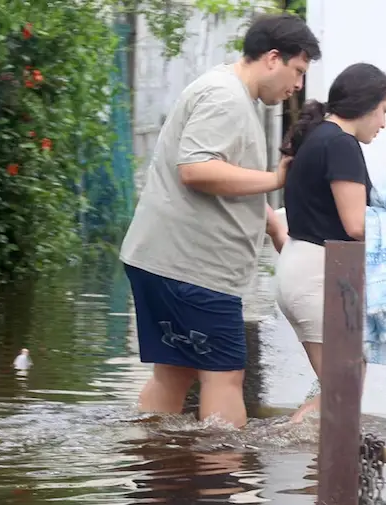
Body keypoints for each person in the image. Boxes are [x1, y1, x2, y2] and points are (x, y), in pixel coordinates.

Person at [119, 13, 320, 428]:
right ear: (272, 58)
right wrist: (277, 178)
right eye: (297, 71)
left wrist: (268, 220)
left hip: (162, 259)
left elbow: (220, 173)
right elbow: (196, 169)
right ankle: (218, 478)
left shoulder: (223, 89)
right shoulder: (226, 97)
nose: (297, 85)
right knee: (225, 377)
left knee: (174, 373)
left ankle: (158, 473)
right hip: (194, 268)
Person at [275, 62, 386, 423]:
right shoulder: (341, 144)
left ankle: (307, 459)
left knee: (340, 384)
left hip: (301, 268)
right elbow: (356, 225)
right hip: (316, 275)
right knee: (343, 389)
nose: (384, 123)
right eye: (384, 111)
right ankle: (275, 447)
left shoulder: (321, 138)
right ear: (366, 105)